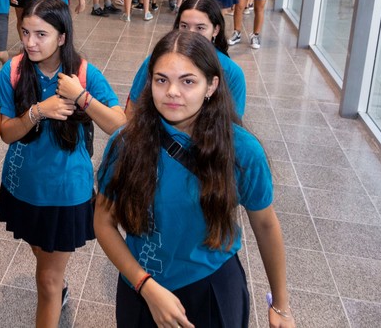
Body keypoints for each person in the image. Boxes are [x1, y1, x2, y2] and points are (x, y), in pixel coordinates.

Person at [95, 30, 294, 328]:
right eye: (161, 80)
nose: (172, 91)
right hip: (141, 284)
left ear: (211, 86)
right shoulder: (125, 143)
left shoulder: (242, 151)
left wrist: (281, 306)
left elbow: (265, 224)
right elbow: (103, 221)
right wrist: (145, 286)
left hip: (211, 288)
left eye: (188, 81)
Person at [0, 0, 126, 327]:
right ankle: (59, 281)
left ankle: (57, 286)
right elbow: (6, 133)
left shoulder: (83, 72)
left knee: (47, 281)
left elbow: (120, 125)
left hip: (66, 191)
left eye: (41, 34)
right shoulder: (12, 71)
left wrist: (80, 96)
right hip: (22, 185)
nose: (29, 42)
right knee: (40, 251)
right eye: (25, 32)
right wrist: (39, 111)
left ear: (62, 37)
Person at [125, 0, 246, 120]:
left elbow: (233, 124)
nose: (190, 34)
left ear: (215, 30)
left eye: (200, 28)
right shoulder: (157, 61)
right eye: (184, 26)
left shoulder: (231, 72)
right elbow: (133, 107)